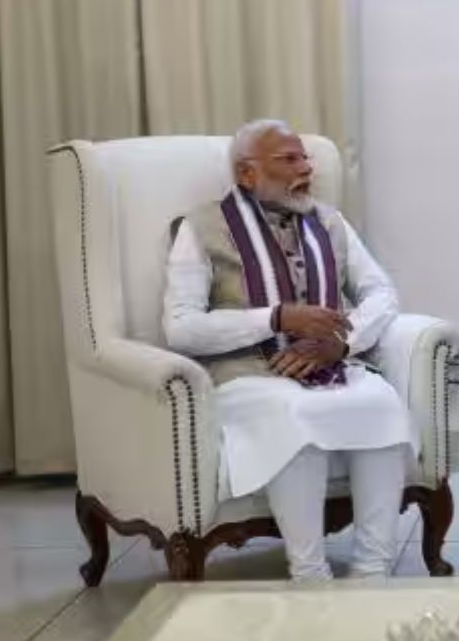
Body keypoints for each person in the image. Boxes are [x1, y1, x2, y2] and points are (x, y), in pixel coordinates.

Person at [163, 119, 416, 581]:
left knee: (382, 402)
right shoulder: (201, 227)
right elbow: (180, 328)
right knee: (295, 412)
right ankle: (310, 575)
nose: (306, 169)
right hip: (246, 374)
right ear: (247, 174)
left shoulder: (329, 222)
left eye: (305, 158)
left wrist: (342, 343)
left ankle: (372, 571)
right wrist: (275, 318)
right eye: (289, 159)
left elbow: (381, 292)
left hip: (329, 365)